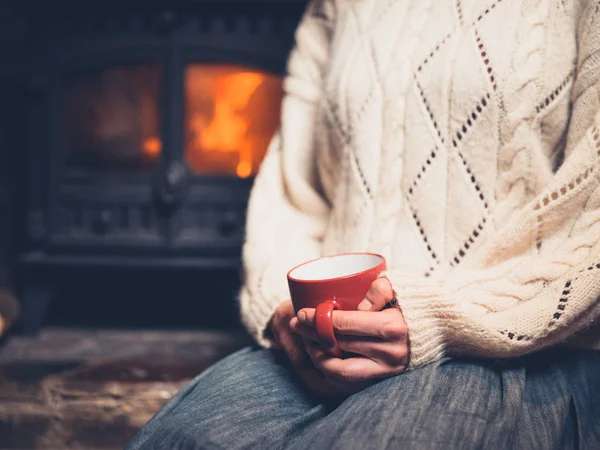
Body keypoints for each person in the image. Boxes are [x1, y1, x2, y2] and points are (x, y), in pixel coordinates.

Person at [128, 0, 600, 448]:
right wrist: (287, 309)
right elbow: (291, 190)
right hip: (323, 346)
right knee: (182, 439)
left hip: (516, 351)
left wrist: (443, 319)